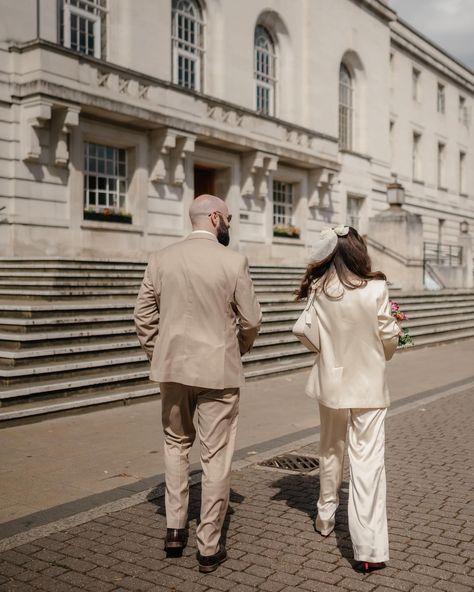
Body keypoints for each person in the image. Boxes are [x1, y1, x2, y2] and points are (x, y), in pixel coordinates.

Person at [134, 194, 262, 573]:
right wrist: (234, 349)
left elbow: (142, 316)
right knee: (215, 455)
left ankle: (175, 530)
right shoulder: (233, 261)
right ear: (215, 217)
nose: (230, 225)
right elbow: (252, 320)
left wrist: (160, 353)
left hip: (173, 370)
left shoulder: (160, 259)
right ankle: (208, 545)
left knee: (175, 445)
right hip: (218, 372)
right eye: (229, 218)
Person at [295, 225, 400, 573]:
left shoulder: (318, 289)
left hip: (332, 383)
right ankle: (368, 548)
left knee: (330, 451)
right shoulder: (376, 288)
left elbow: (309, 335)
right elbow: (387, 341)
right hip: (368, 385)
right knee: (368, 464)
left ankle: (325, 518)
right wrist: (393, 335)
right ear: (358, 252)